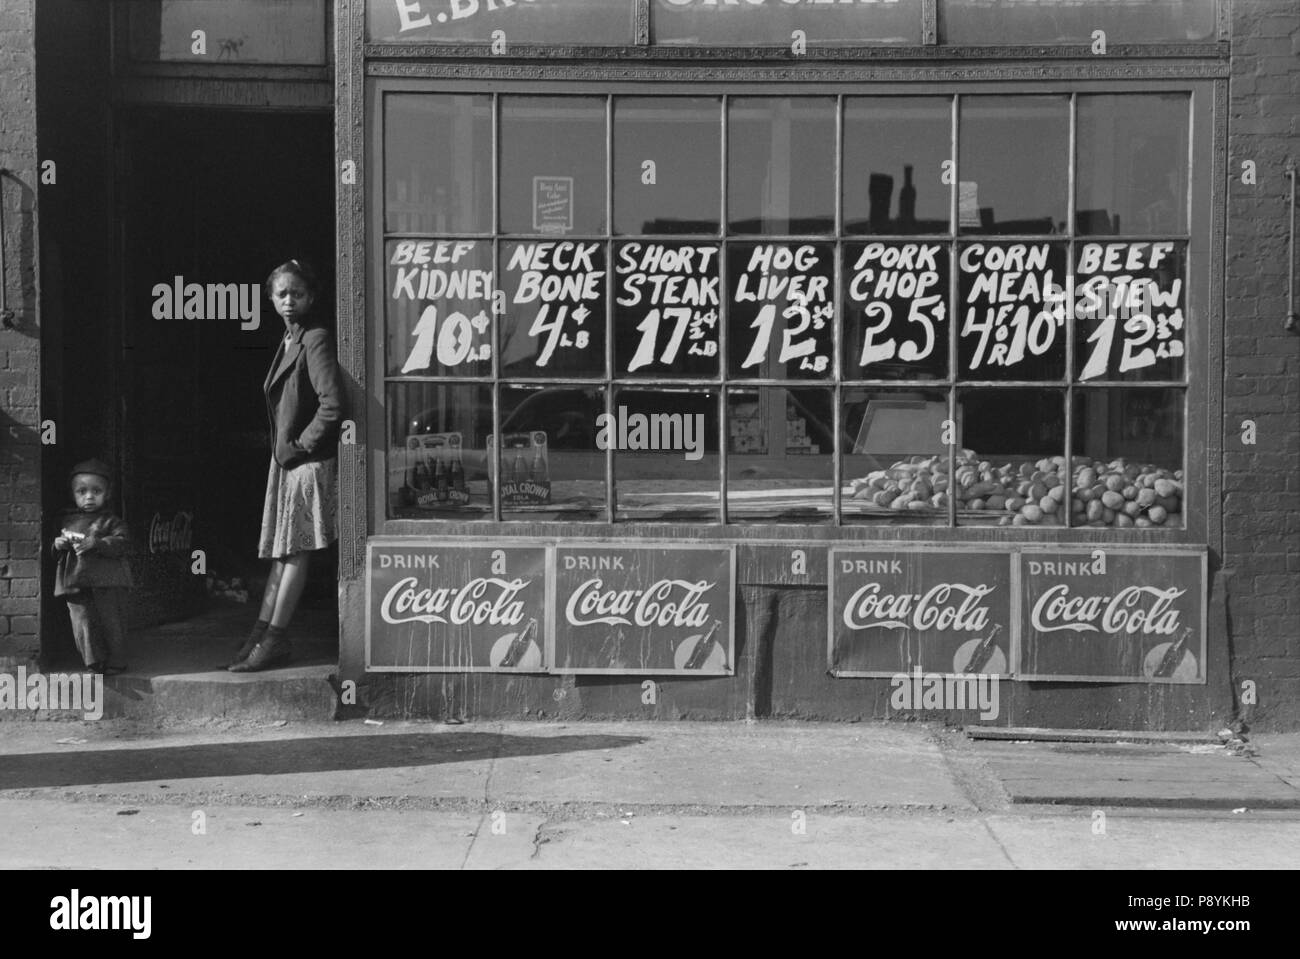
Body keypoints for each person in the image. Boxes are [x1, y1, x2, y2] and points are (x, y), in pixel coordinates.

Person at [228, 258, 346, 672]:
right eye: (282, 294)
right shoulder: (289, 338)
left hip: (307, 464)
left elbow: (332, 404)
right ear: (271, 299)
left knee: (295, 552)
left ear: (310, 296)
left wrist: (299, 445)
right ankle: (261, 634)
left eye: (297, 293)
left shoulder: (314, 338)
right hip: (288, 464)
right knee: (282, 553)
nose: (289, 301)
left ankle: (274, 639)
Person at [52, 459, 134, 674]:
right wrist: (58, 545)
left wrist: (97, 543)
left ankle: (117, 661)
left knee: (111, 621)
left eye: (96, 491)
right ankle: (93, 662)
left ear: (107, 494)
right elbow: (54, 551)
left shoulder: (111, 521)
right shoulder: (66, 521)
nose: (89, 496)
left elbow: (123, 543)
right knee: (83, 623)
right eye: (82, 491)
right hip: (76, 580)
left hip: (108, 581)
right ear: (73, 494)